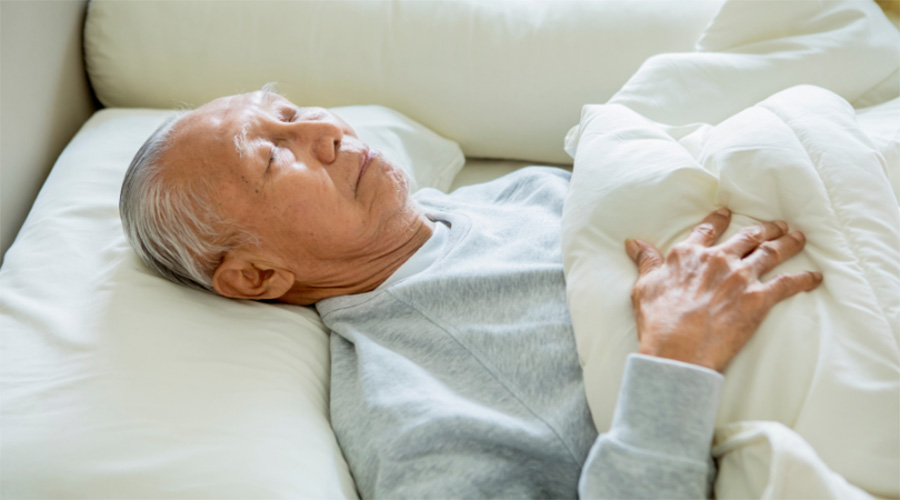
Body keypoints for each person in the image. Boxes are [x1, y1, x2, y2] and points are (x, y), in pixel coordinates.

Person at [119, 88, 823, 499]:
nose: (327, 132)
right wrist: (677, 361)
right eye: (274, 156)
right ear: (257, 276)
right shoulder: (412, 405)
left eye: (295, 112)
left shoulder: (514, 191)